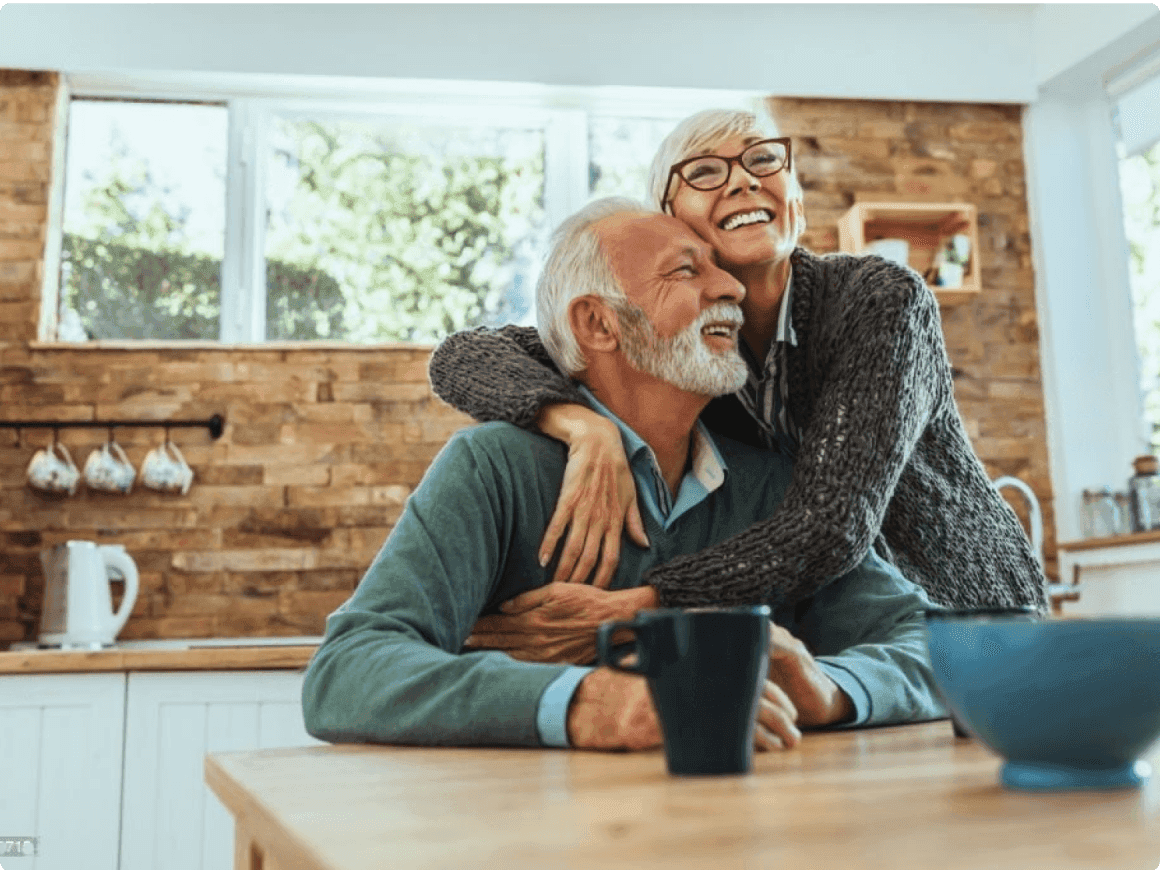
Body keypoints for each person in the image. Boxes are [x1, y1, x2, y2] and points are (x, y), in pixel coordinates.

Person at [301, 198, 945, 750]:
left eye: (719, 269)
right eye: (686, 271)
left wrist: (828, 689)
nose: (731, 288)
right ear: (597, 323)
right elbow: (347, 673)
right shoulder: (494, 468)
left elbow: (934, 648)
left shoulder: (773, 487)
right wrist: (594, 703)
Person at [428, 108, 1047, 638]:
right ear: (669, 218)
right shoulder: (684, 348)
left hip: (967, 615)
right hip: (834, 631)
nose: (745, 181)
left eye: (764, 162)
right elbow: (464, 354)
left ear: (796, 202)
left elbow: (832, 523)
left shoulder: (880, 301)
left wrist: (649, 604)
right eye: (704, 172)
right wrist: (582, 425)